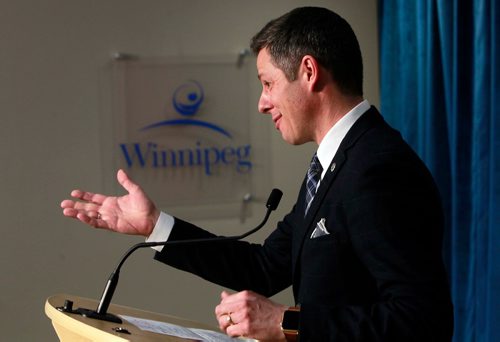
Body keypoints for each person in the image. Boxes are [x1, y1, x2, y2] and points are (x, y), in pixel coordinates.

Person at [61, 7, 454, 341]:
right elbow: (265, 267)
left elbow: (423, 321)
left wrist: (285, 322)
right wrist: (154, 225)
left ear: (309, 71)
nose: (263, 104)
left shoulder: (377, 169)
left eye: (268, 84)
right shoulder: (337, 162)